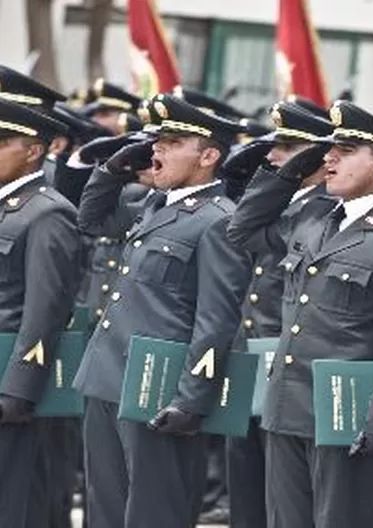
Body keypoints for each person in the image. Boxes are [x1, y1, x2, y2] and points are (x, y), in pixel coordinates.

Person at [227, 101, 373, 528]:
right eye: (329, 149)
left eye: (346, 150)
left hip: (349, 414)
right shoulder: (313, 216)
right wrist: (288, 173)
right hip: (287, 404)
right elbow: (243, 230)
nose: (329, 158)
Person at [72, 93, 252, 528]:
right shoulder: (153, 206)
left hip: (157, 385)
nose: (157, 149)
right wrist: (113, 168)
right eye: (158, 140)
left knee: (154, 510)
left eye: (173, 142)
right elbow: (92, 220)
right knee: (105, 508)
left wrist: (191, 399)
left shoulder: (219, 220)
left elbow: (216, 320)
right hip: (108, 374)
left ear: (208, 155)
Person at [218, 100, 335, 528]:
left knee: (283, 487)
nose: (273, 155)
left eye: (287, 147)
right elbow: (241, 226)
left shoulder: (325, 209)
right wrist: (277, 172)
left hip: (288, 360)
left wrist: (289, 173)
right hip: (253, 353)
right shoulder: (286, 204)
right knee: (245, 472)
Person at [0, 98, 82, 528]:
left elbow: (45, 310)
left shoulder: (47, 214)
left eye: (2, 142)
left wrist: (19, 390)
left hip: (8, 377)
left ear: (34, 151)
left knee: (10, 498)